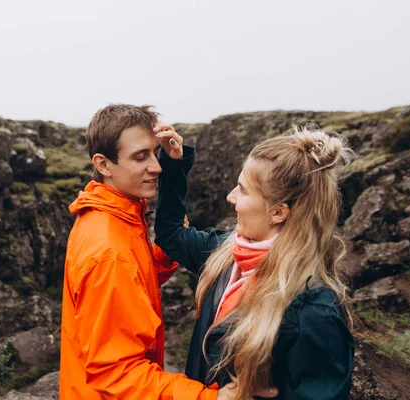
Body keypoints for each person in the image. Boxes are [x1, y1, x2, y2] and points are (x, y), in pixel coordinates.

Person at [59, 104, 278, 399]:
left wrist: (160, 256)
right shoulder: (110, 251)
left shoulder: (110, 216)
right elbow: (115, 372)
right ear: (103, 164)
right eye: (140, 157)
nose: (156, 166)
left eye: (154, 153)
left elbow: (129, 287)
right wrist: (210, 397)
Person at [154, 124, 356, 399]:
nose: (231, 197)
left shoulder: (314, 310)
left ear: (278, 212)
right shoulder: (225, 252)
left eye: (243, 190)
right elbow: (171, 235)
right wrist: (174, 165)